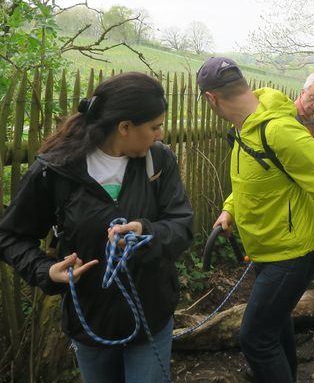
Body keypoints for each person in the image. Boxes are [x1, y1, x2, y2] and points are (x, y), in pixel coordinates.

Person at [0, 72, 194, 383]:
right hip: (91, 320)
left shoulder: (159, 161)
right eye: (155, 127)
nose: (160, 135)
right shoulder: (56, 170)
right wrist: (46, 271)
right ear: (125, 127)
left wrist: (146, 232)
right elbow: (10, 236)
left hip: (150, 316)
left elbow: (182, 225)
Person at [198, 57, 314, 383]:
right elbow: (250, 181)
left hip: (293, 251)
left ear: (211, 98)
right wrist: (230, 210)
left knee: (255, 338)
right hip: (268, 246)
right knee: (276, 323)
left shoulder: (278, 130)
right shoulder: (245, 128)